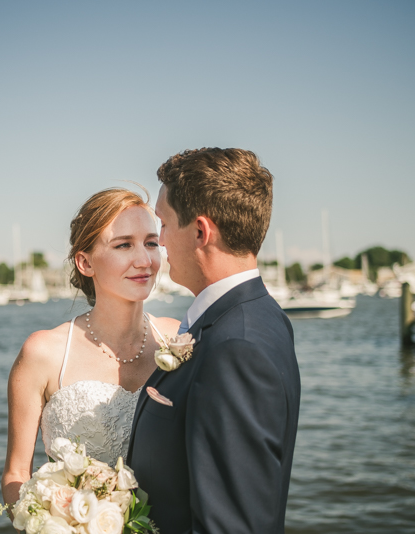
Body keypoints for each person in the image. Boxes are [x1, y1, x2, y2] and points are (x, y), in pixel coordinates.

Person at [128, 148, 301, 533]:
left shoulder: (237, 346)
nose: (161, 240)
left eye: (164, 223)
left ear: (201, 232)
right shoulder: (258, 316)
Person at [0, 187, 181, 514]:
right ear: (85, 262)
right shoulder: (43, 353)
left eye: (151, 243)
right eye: (124, 244)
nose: (144, 260)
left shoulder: (179, 339)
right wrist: (51, 523)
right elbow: (16, 475)